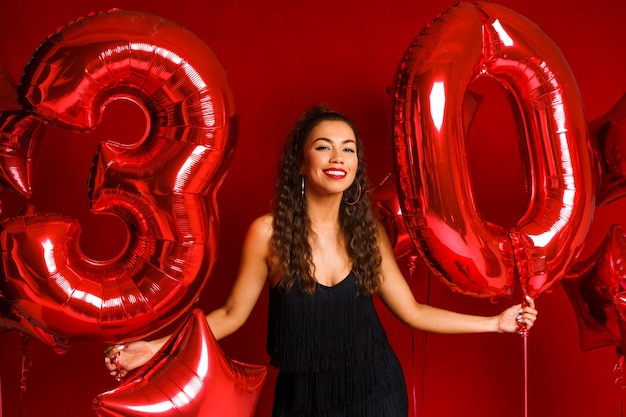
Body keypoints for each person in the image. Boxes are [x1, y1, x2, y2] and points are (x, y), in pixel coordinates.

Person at [104, 105, 538, 416]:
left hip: (377, 394)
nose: (338, 159)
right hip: (302, 398)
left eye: (348, 150)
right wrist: (153, 349)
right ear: (299, 162)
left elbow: (413, 311)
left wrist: (495, 323)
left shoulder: (366, 232)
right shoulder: (267, 233)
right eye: (324, 147)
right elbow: (230, 316)